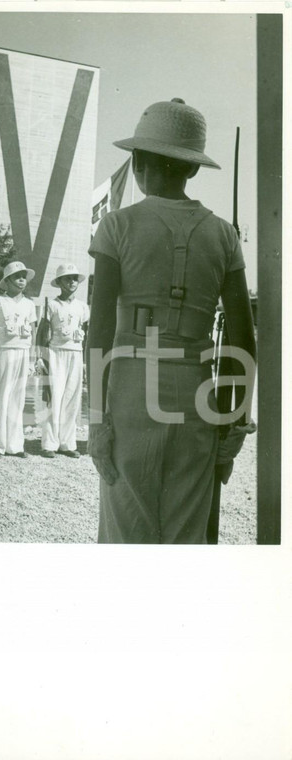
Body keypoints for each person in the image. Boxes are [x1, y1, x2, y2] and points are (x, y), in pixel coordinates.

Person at [87, 98, 256, 544]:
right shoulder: (222, 233)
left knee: (127, 533)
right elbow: (241, 337)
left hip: (129, 388)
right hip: (198, 393)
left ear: (137, 159)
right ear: (193, 169)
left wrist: (95, 421)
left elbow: (99, 330)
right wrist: (234, 423)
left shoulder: (116, 226)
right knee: (187, 537)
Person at [0, 261, 37, 459]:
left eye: (24, 276)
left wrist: (32, 359)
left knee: (18, 399)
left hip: (22, 352)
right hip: (3, 351)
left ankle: (15, 445)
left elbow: (34, 332)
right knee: (1, 397)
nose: (21, 280)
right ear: (8, 280)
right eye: (17, 276)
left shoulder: (30, 304)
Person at [36, 263, 89, 458]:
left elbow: (87, 332)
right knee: (53, 397)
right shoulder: (50, 304)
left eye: (75, 278)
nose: (72, 282)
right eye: (67, 278)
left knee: (72, 398)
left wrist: (85, 361)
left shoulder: (82, 306)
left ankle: (67, 443)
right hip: (55, 353)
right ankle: (49, 444)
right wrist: (39, 359)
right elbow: (41, 333)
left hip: (75, 353)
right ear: (59, 282)